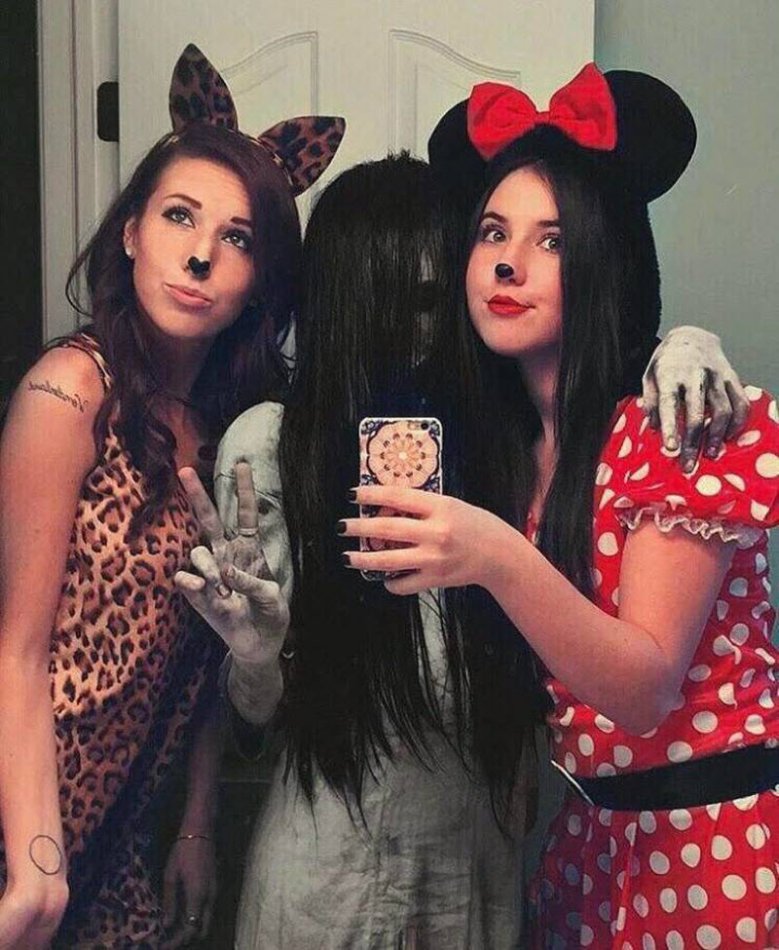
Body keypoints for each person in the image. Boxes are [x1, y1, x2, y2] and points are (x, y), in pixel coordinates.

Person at [175, 138, 751, 946]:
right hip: (326, 869)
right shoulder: (274, 444)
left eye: (432, 298)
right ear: (340, 300)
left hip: (482, 863)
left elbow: (597, 384)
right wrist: (255, 655)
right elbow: (254, 709)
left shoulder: (501, 437)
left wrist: (682, 343)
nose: (416, 330)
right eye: (388, 299)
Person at [340, 64, 779, 948]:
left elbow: (643, 688)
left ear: (604, 259)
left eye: (551, 239)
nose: (508, 262)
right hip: (590, 845)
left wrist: (493, 555)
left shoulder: (674, 422)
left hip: (715, 847)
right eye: (492, 233)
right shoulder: (498, 449)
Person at [0, 43, 343, 949]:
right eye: (179, 216)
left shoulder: (240, 429)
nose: (198, 256)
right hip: (22, 811)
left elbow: (209, 659)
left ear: (261, 281)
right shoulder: (71, 391)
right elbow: (16, 650)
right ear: (130, 232)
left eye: (237, 238)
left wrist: (195, 824)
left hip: (121, 830)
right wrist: (35, 861)